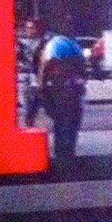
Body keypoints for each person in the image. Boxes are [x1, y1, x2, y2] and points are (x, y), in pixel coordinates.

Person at [38, 19, 86, 159]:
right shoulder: (71, 45)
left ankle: (61, 151)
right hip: (71, 88)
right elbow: (82, 68)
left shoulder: (53, 44)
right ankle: (69, 150)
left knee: (60, 121)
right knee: (72, 121)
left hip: (59, 87)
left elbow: (45, 66)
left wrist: (42, 87)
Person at [20, 17, 52, 127]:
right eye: (27, 28)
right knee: (29, 106)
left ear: (37, 29)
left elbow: (43, 62)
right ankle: (29, 124)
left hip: (40, 78)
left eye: (31, 28)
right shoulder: (23, 42)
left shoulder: (43, 43)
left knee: (41, 105)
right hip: (28, 79)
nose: (28, 30)